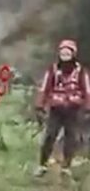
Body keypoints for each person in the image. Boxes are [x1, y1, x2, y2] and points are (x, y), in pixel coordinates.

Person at [34, 39, 90, 177]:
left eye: (68, 52)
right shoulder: (52, 70)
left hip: (73, 109)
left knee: (71, 137)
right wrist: (39, 105)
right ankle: (42, 165)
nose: (65, 54)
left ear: (73, 54)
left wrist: (88, 107)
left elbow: (87, 90)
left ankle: (66, 167)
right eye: (62, 52)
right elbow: (44, 88)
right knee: (49, 136)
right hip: (56, 109)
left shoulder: (81, 71)